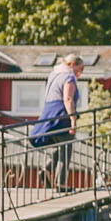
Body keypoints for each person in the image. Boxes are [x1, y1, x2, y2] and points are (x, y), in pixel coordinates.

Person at [30, 54, 83, 187]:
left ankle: (46, 169)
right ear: (72, 65)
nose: (80, 73)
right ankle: (61, 182)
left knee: (60, 147)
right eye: (79, 68)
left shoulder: (54, 74)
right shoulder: (69, 76)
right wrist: (73, 120)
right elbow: (68, 99)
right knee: (66, 149)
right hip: (62, 117)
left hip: (49, 115)